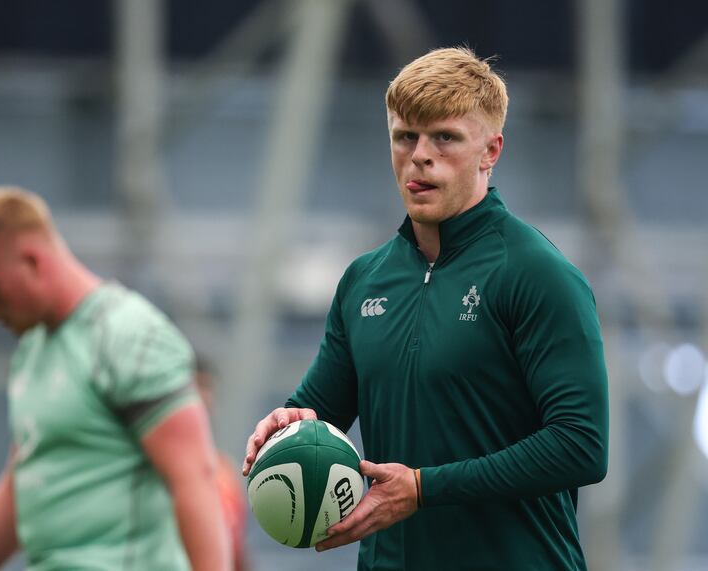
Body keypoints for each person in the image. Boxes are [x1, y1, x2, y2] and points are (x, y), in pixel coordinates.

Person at [242, 47, 609, 570]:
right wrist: (288, 424)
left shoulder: (538, 274)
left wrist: (422, 487)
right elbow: (321, 410)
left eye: (445, 138)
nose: (420, 156)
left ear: (490, 151)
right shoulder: (364, 280)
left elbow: (581, 445)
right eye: (404, 136)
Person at [0, 187, 232, 571]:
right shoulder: (32, 350)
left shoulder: (129, 335)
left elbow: (195, 477)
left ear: (32, 260)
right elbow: (24, 480)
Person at [194, 356, 249, 571]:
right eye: (194, 387)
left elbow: (236, 551)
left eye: (206, 386)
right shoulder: (153, 472)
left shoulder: (226, 472)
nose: (203, 397)